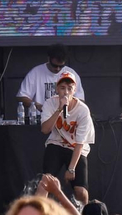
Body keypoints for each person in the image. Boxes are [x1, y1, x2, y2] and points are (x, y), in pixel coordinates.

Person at [41, 72, 96, 205]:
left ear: (74, 90)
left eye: (69, 88)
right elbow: (45, 130)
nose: (66, 92)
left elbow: (80, 143)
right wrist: (59, 109)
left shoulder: (82, 110)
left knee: (80, 191)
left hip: (76, 147)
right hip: (57, 143)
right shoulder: (50, 103)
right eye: (62, 88)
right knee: (44, 183)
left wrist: (71, 169)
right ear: (57, 89)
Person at [18, 44, 84, 121]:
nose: (58, 69)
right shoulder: (35, 73)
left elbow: (80, 99)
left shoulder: (71, 73)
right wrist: (39, 106)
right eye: (55, 65)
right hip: (42, 119)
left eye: (61, 66)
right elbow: (22, 96)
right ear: (48, 59)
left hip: (66, 119)